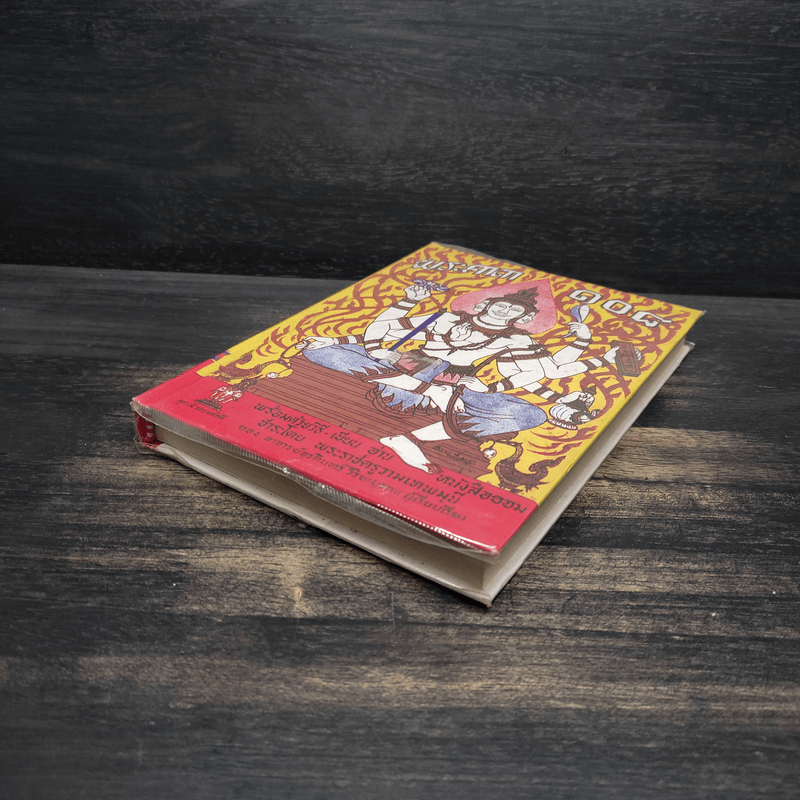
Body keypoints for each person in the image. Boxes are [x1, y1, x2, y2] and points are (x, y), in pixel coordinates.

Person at [302, 282, 623, 473]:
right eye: (501, 305)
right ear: (484, 303)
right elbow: (383, 332)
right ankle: (419, 388)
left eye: (514, 311)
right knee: (320, 351)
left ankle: (410, 439)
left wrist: (582, 341)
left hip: (456, 384)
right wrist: (336, 339)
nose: (504, 312)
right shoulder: (444, 318)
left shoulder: (518, 340)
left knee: (531, 414)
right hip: (407, 367)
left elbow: (549, 369)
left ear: (525, 318)